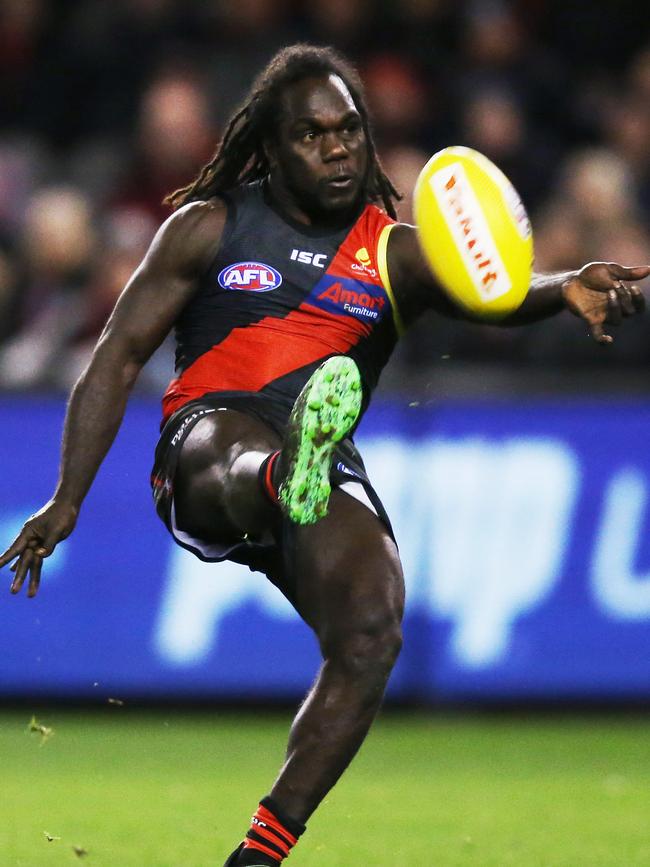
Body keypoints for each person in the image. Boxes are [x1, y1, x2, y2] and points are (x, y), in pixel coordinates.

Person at [1, 44, 647, 866]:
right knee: (233, 453)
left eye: (351, 130)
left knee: (373, 627)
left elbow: (498, 293)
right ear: (271, 149)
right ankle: (281, 473)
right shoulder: (208, 225)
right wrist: (67, 498)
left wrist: (565, 287)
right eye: (313, 135)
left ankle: (260, 853)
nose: (339, 148)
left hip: (321, 466)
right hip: (205, 442)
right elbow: (116, 356)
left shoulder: (397, 252)